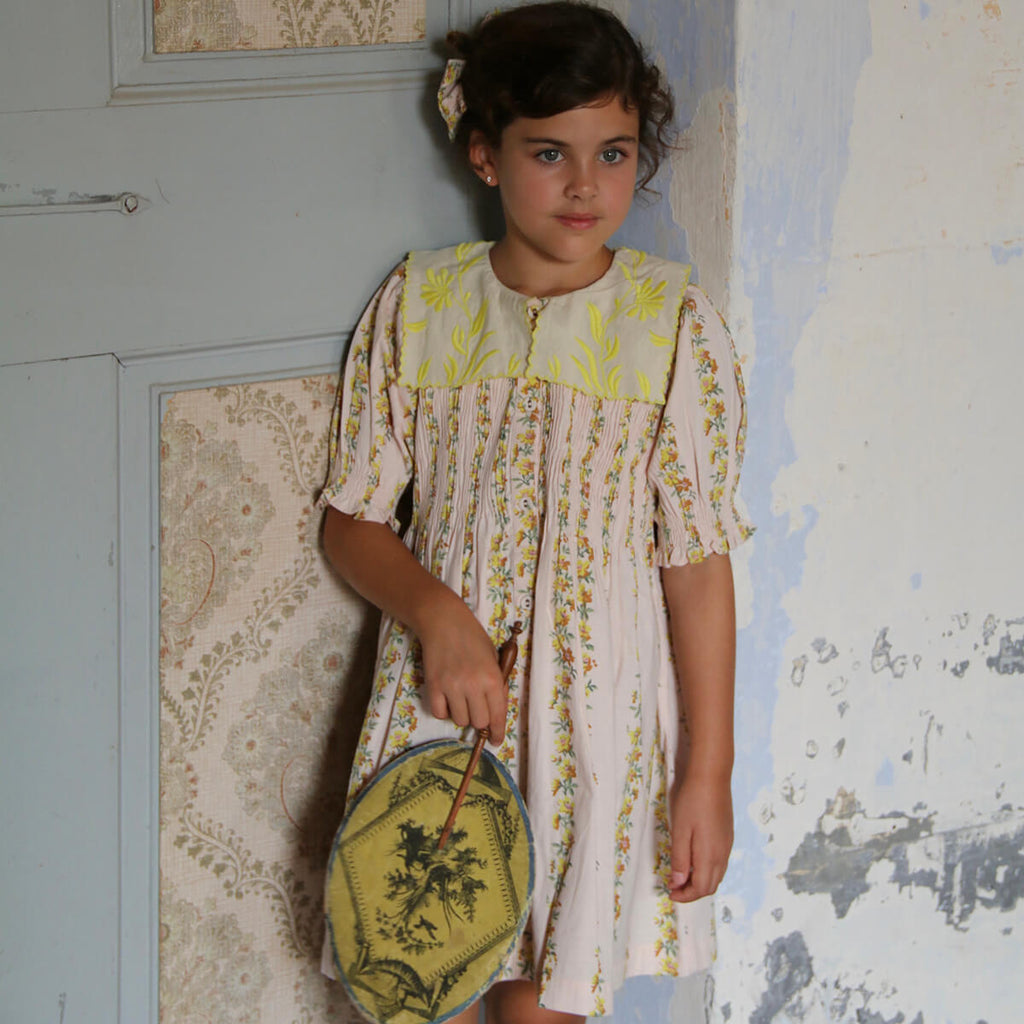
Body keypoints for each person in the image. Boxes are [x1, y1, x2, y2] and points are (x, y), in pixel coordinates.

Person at [319, 3, 753, 1021]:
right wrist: (438, 615)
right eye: (549, 152)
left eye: (614, 152)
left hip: (595, 728)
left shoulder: (672, 325)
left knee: (541, 1004)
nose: (586, 185)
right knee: (418, 980)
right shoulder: (421, 304)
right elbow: (351, 519)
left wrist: (709, 771)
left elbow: (697, 565)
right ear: (485, 155)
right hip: (441, 709)